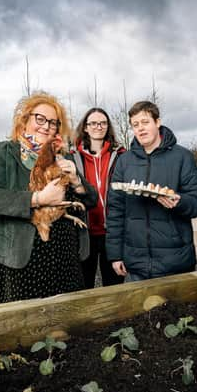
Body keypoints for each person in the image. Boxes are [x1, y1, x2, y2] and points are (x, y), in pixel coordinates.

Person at [0, 92, 97, 306]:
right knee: (21, 323)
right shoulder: (3, 152)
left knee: (64, 318)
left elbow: (91, 200)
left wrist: (77, 180)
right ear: (25, 119)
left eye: (53, 122)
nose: (46, 126)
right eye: (40, 118)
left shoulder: (63, 157)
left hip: (63, 256)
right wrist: (38, 198)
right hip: (19, 257)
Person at [106, 101, 197, 281]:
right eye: (135, 125)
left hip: (175, 262)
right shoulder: (124, 161)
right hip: (135, 264)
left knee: (179, 310)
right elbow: (115, 211)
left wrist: (179, 201)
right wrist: (115, 255)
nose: (140, 129)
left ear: (157, 122)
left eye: (145, 122)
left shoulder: (182, 157)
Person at [71, 108, 126, 288]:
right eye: (93, 123)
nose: (98, 127)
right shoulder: (72, 156)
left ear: (108, 126)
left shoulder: (120, 155)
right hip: (84, 231)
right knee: (83, 285)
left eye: (103, 123)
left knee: (114, 284)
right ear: (85, 127)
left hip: (113, 232)